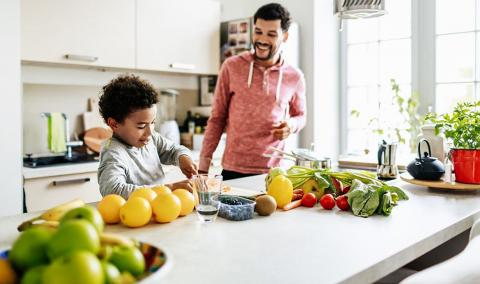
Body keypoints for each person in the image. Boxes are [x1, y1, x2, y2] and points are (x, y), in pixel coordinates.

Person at [199, 3, 306, 180]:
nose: (262, 40)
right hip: (232, 170)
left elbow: (301, 116)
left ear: (285, 36)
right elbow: (217, 118)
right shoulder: (231, 67)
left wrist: (291, 126)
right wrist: (203, 167)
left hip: (273, 172)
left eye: (271, 34)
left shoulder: (294, 76)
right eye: (258, 32)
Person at [97, 74, 197, 199]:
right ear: (114, 124)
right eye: (141, 126)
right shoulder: (113, 153)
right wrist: (169, 188)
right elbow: (113, 190)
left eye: (153, 123)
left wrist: (183, 157)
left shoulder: (151, 139)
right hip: (133, 217)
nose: (150, 132)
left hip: (159, 211)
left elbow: (173, 150)